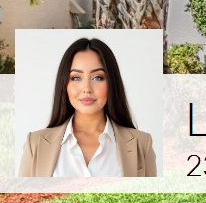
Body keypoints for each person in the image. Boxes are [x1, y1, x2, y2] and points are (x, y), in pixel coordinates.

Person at [18, 37, 156, 177]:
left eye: (97, 78)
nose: (87, 89)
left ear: (112, 82)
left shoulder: (142, 143)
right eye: (76, 78)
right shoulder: (35, 143)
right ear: (64, 84)